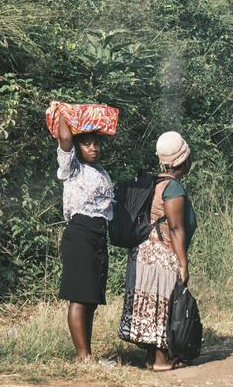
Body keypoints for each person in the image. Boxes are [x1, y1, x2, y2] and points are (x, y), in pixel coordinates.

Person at [118, 131, 197, 371]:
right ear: (183, 160)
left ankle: (152, 357)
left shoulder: (152, 182)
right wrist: (183, 262)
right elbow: (175, 228)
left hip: (142, 252)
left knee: (150, 303)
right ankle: (162, 360)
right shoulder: (173, 189)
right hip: (161, 254)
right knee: (164, 303)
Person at [56, 112, 114, 361]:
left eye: (95, 143)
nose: (93, 148)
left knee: (90, 298)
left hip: (98, 236)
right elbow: (65, 138)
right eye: (86, 143)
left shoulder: (101, 172)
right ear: (77, 148)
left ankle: (86, 354)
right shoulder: (72, 169)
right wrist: (64, 113)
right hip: (79, 234)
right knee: (79, 297)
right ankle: (82, 356)